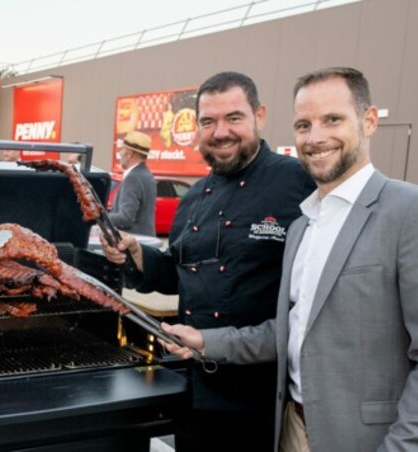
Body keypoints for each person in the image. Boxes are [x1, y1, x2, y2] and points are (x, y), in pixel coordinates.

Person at [158, 67, 418, 451]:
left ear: (369, 121)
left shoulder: (417, 211)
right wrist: (205, 341)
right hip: (289, 429)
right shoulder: (303, 225)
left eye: (332, 120)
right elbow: (290, 333)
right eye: (303, 125)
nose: (315, 138)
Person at [101, 72, 315, 451]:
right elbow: (176, 273)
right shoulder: (195, 196)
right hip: (194, 390)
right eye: (208, 121)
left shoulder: (300, 183)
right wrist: (136, 252)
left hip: (260, 399)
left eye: (234, 118)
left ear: (259, 116)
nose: (220, 132)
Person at [108, 130, 157, 236]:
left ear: (129, 154)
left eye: (122, 149)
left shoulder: (133, 178)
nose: (120, 153)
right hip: (146, 242)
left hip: (133, 243)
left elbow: (125, 219)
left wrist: (101, 217)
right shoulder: (147, 175)